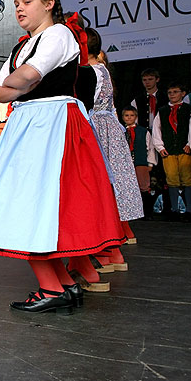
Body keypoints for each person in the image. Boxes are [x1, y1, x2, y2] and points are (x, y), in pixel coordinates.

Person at [0, 0, 124, 313]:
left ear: (49, 3)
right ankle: (64, 285)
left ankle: (53, 287)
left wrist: (23, 83)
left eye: (26, 1)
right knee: (29, 203)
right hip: (29, 123)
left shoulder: (58, 35)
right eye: (16, 4)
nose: (19, 9)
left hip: (51, 123)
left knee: (33, 205)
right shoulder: (22, 46)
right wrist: (22, 83)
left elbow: (26, 77)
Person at [77, 28, 141, 274]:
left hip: (97, 130)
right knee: (108, 188)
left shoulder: (89, 72)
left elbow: (86, 104)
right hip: (108, 129)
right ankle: (113, 251)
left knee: (100, 187)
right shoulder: (102, 69)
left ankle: (107, 251)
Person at [152, 82, 191, 221]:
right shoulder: (163, 111)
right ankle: (174, 210)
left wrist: (190, 144)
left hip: (185, 149)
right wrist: (160, 147)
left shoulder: (190, 109)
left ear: (183, 93)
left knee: (188, 178)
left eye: (176, 92)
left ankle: (189, 210)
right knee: (172, 179)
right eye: (170, 93)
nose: (172, 95)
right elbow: (156, 129)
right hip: (169, 150)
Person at [122, 106, 157, 226]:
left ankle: (147, 212)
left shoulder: (143, 131)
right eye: (126, 115)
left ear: (136, 117)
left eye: (131, 115)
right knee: (128, 188)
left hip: (140, 162)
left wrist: (150, 163)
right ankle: (131, 213)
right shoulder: (120, 132)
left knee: (144, 186)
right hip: (125, 164)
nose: (129, 118)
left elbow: (150, 147)